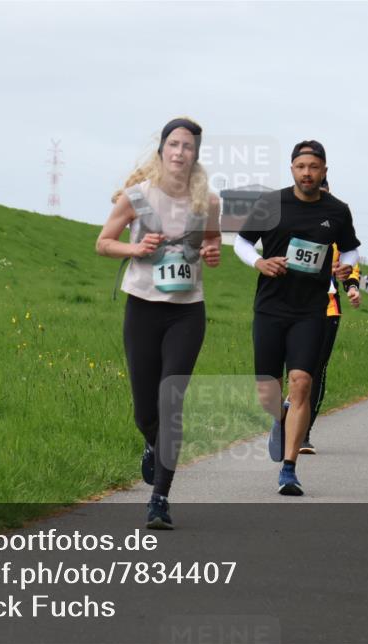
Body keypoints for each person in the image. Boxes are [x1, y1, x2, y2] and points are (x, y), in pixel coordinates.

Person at [96, 118, 221, 528]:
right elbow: (103, 243)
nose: (180, 152)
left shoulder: (208, 202)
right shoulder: (137, 197)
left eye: (188, 146)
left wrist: (212, 251)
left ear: (196, 155)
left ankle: (159, 500)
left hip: (187, 312)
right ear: (162, 150)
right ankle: (153, 444)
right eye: (174, 144)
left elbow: (212, 240)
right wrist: (135, 247)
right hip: (143, 309)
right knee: (144, 412)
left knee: (171, 405)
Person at [234, 139, 360, 495]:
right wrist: (259, 261)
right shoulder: (270, 204)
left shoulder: (337, 210)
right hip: (271, 307)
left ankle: (289, 469)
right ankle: (279, 418)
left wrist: (345, 266)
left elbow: (350, 246)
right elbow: (241, 242)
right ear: (292, 169)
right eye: (301, 167)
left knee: (302, 381)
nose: (308, 173)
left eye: (314, 167)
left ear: (324, 171)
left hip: (311, 310)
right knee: (267, 390)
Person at [302, 176, 361, 456]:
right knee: (296, 370)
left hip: (327, 307)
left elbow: (351, 262)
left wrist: (351, 287)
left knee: (316, 371)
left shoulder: (337, 228)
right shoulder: (295, 224)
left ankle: (304, 432)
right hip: (294, 305)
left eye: (323, 194)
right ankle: (287, 412)